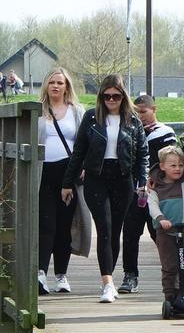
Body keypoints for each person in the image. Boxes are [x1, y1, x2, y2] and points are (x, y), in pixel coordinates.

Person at [61, 75, 147, 303]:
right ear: (101, 96)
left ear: (123, 97)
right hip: (96, 177)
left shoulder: (133, 120)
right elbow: (78, 152)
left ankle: (109, 279)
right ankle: (107, 283)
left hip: (123, 178)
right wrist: (67, 183)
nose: (111, 100)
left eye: (116, 96)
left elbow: (143, 155)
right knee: (105, 228)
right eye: (106, 95)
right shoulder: (91, 118)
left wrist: (143, 182)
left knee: (115, 230)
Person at [118, 92, 178, 294]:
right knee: (130, 234)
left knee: (160, 235)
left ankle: (173, 274)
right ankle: (130, 275)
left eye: (143, 112)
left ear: (154, 110)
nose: (140, 116)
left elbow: (171, 162)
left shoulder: (165, 133)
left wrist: (156, 179)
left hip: (156, 192)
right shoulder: (130, 130)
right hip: (133, 191)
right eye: (136, 112)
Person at [37, 67, 85, 295]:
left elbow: (84, 143)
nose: (56, 86)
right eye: (52, 82)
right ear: (46, 85)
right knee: (46, 224)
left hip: (68, 172)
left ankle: (61, 275)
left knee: (64, 227)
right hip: (42, 172)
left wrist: (82, 167)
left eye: (60, 82)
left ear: (67, 87)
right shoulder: (38, 110)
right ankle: (40, 273)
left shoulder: (77, 111)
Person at [147, 144, 184, 319]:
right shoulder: (156, 187)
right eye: (173, 165)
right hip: (166, 233)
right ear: (162, 166)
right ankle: (170, 297)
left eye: (181, 165)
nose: (177, 169)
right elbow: (152, 206)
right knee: (170, 266)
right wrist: (161, 219)